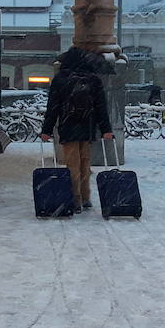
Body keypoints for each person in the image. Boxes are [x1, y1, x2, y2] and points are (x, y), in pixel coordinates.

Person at [40, 47, 114, 214]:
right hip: (87, 126)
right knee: (85, 162)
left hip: (68, 126)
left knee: (72, 164)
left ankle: (75, 198)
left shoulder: (61, 79)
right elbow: (101, 107)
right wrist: (106, 129)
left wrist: (46, 130)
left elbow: (53, 107)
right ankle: (86, 196)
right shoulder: (93, 79)